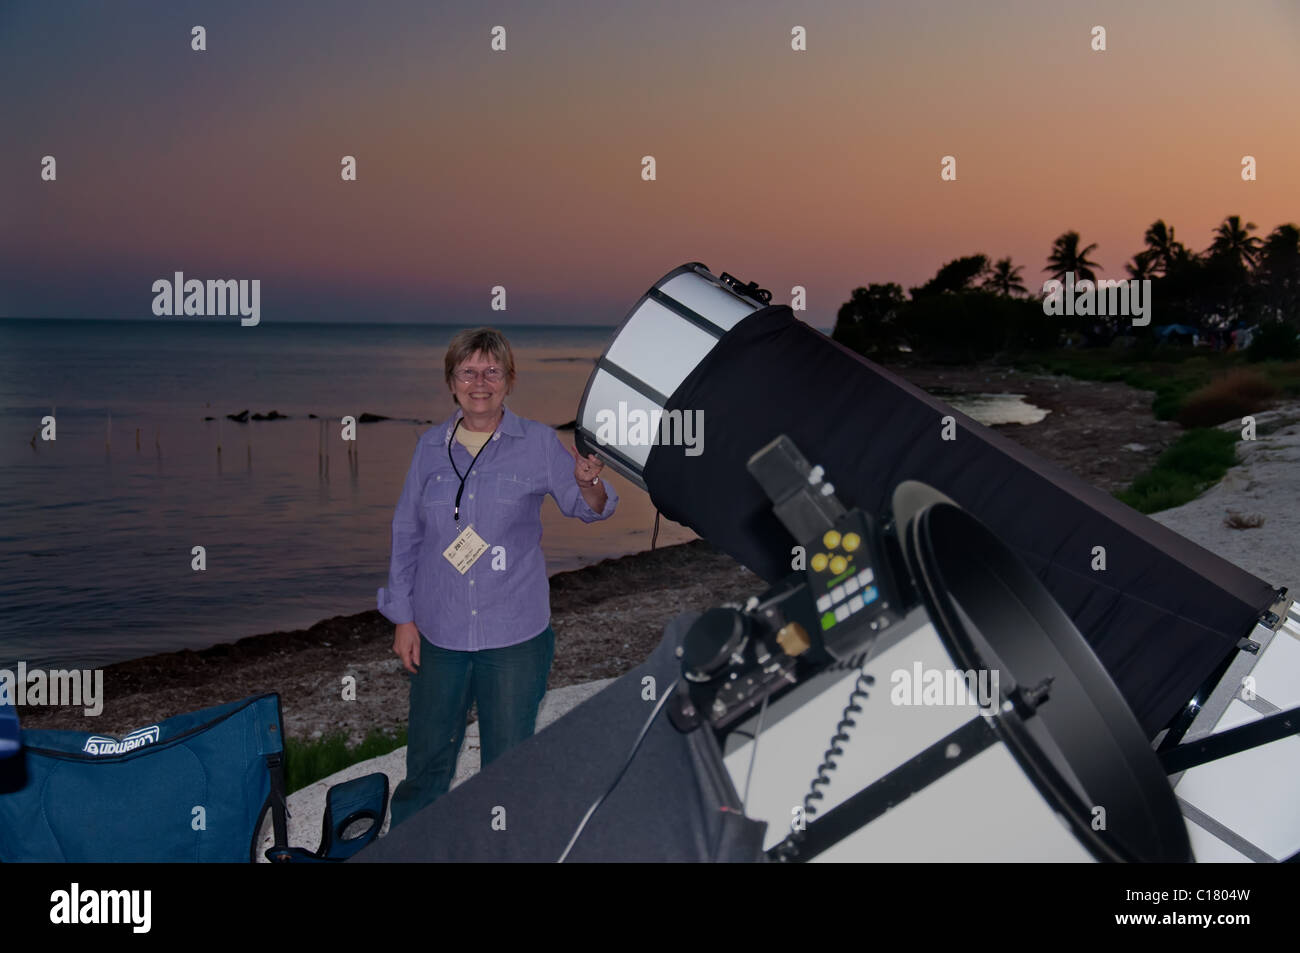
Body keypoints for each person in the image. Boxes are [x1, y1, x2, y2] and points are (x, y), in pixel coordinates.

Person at [377, 327, 618, 827]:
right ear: (451, 382)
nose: (480, 381)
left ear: (508, 380)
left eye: (491, 371)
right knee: (425, 763)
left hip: (514, 635)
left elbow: (588, 508)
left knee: (506, 767)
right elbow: (407, 532)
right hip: (439, 632)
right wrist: (402, 618)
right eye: (468, 371)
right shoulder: (428, 447)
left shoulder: (537, 443)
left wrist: (589, 482)